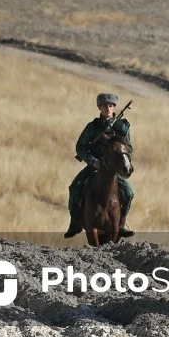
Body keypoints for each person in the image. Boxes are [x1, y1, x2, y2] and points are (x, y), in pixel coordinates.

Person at [63, 93, 135, 239]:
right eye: (104, 106)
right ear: (99, 107)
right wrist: (93, 161)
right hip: (95, 165)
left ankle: (121, 224)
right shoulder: (92, 127)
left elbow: (129, 148)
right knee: (75, 187)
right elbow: (81, 147)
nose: (108, 109)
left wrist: (122, 162)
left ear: (114, 107)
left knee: (128, 193)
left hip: (114, 168)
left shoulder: (122, 126)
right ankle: (75, 222)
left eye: (110, 106)